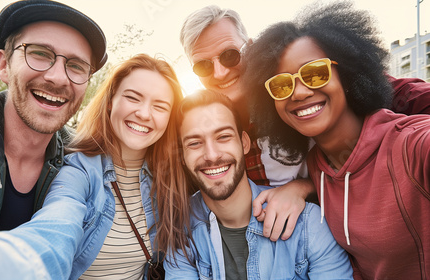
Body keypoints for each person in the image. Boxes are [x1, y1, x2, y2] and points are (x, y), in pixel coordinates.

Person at [179, 4, 430, 242]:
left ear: (251, 47)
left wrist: (303, 188)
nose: (220, 72)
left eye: (230, 56)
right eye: (202, 66)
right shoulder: (200, 128)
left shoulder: (304, 87)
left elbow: (395, 93)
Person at [0, 53, 189, 280]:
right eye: (133, 98)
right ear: (111, 101)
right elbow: (57, 229)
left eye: (160, 106)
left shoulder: (174, 178)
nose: (145, 113)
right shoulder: (79, 168)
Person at [243, 2, 430, 279]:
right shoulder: (317, 166)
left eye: (315, 73)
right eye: (282, 85)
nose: (300, 92)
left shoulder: (410, 145)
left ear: (348, 74)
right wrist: (301, 187)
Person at [0, 0, 108, 230]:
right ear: (4, 65)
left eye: (76, 66)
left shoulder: (84, 163)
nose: (58, 77)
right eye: (40, 53)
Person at [164, 90, 353, 279]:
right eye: (195, 143)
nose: (212, 155)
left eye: (223, 137)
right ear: (182, 156)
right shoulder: (180, 230)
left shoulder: (308, 224)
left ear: (244, 143)